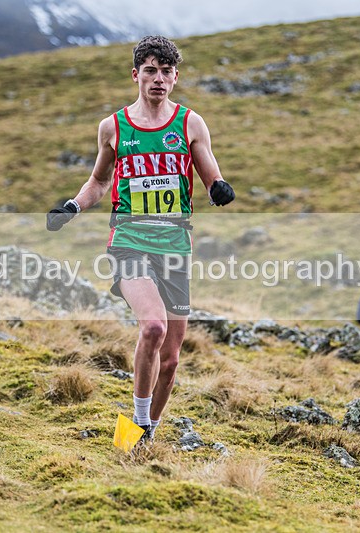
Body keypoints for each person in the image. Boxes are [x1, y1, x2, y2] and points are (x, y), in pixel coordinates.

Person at [46, 35, 235, 444]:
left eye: (166, 72)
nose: (158, 79)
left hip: (175, 248)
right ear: (136, 75)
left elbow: (211, 176)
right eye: (150, 70)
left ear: (175, 78)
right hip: (129, 241)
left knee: (170, 360)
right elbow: (99, 181)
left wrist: (219, 188)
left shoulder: (190, 123)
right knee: (152, 326)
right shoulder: (114, 127)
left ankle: (141, 434)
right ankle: (135, 422)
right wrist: (73, 207)